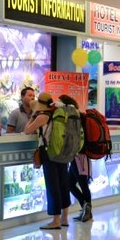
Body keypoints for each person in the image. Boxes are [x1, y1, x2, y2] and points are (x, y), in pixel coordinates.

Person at [24, 92, 71, 229]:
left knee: (52, 186)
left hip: (49, 153)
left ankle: (55, 220)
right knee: (63, 184)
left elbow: (27, 130)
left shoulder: (43, 117)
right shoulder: (59, 114)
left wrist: (33, 116)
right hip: (61, 151)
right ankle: (65, 218)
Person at [59, 95, 93, 222]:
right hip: (79, 155)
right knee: (70, 184)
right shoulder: (79, 115)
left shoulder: (74, 117)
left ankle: (87, 209)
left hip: (79, 155)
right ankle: (86, 208)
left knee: (82, 184)